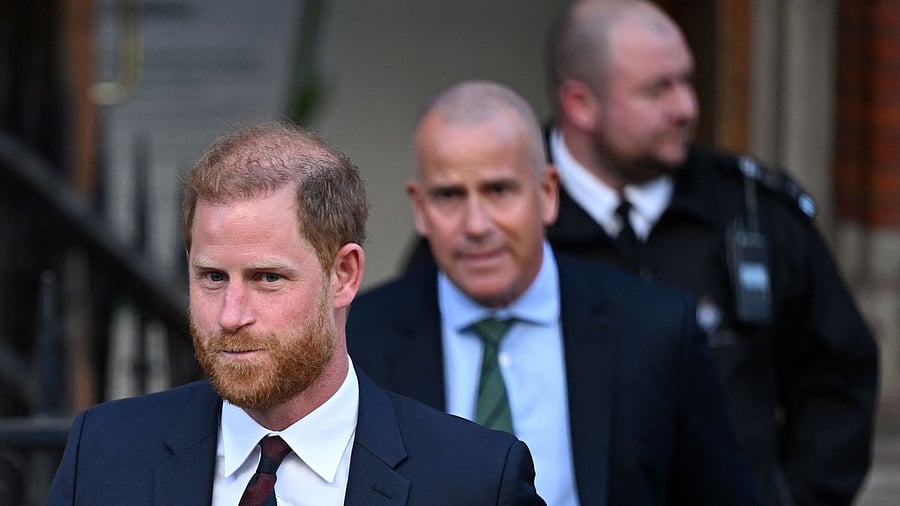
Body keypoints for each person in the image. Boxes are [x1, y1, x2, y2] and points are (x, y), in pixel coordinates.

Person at [46, 122, 544, 505]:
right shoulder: (105, 453)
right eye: (212, 277)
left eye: (267, 278)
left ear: (344, 275)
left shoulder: (474, 478)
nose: (231, 315)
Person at [347, 80, 761, 506]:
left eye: (499, 190)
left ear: (547, 194)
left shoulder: (655, 328)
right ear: (420, 208)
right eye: (449, 195)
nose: (476, 225)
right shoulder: (359, 338)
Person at [544, 1, 879, 505]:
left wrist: (793, 498)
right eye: (658, 89)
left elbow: (839, 374)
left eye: (688, 82)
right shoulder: (504, 222)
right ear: (580, 104)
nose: (687, 108)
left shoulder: (753, 210)